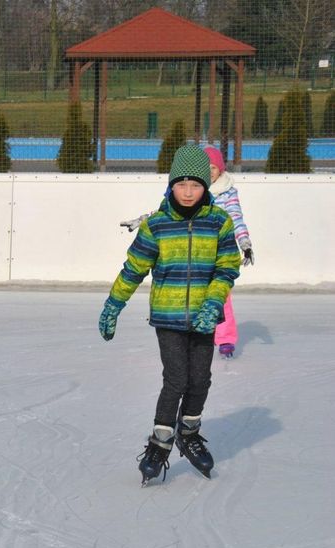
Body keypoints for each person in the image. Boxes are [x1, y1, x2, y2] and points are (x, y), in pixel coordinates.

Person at [98, 144, 241, 485]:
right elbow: (134, 268)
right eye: (182, 184)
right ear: (171, 185)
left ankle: (188, 432)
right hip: (168, 317)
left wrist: (213, 303)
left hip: (205, 317)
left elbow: (227, 267)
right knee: (176, 379)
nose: (189, 192)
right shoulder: (157, 225)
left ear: (206, 186)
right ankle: (160, 444)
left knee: (201, 379)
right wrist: (113, 304)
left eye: (196, 185)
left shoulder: (218, 222)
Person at [204, 145, 255, 359]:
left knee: (222, 296)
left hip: (223, 252)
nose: (209, 171)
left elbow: (236, 218)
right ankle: (197, 334)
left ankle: (225, 339)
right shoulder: (193, 189)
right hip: (199, 253)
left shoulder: (228, 192)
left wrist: (245, 243)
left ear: (221, 169)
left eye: (213, 167)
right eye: (205, 167)